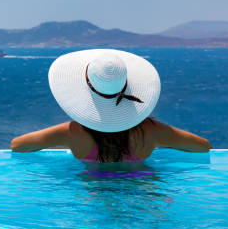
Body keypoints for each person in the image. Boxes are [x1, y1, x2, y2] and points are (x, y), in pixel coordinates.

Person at [11, 49, 212, 162]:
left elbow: (18, 145)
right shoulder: (152, 132)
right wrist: (165, 141)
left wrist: (62, 141)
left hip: (95, 195)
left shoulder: (71, 133)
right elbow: (203, 147)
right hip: (143, 193)